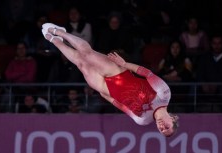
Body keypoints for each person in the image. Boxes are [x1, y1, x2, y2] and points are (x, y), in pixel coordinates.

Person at [41, 23, 179, 137]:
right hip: (118, 73)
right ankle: (60, 32)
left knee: (80, 63)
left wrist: (104, 94)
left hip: (106, 88)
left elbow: (121, 105)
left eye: (161, 130)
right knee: (87, 54)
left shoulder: (142, 120)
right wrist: (124, 64)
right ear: (173, 119)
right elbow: (147, 73)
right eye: (167, 126)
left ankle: (56, 41)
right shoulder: (165, 94)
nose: (162, 126)